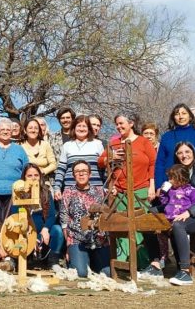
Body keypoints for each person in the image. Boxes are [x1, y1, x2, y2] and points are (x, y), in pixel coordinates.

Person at [142, 141, 195, 286]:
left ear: (193, 152)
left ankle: (185, 271)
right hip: (179, 210)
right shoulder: (176, 172)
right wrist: (163, 194)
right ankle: (155, 264)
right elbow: (170, 201)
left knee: (178, 225)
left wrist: (189, 212)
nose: (184, 155)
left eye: (187, 152)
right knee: (147, 219)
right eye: (180, 153)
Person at [98, 112, 155, 269]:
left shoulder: (143, 142)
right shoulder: (114, 142)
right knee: (121, 226)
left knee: (139, 227)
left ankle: (142, 264)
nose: (118, 126)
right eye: (116, 124)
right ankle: (122, 263)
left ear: (131, 123)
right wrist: (112, 156)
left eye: (121, 123)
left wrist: (152, 186)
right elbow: (101, 161)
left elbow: (153, 163)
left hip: (141, 190)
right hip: (120, 192)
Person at [60, 160, 109, 278]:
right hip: (77, 240)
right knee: (81, 273)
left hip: (99, 240)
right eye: (77, 172)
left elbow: (107, 215)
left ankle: (92, 260)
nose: (81, 174)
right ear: (73, 175)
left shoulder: (100, 191)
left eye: (84, 171)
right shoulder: (68, 192)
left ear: (90, 174)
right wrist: (68, 245)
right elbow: (64, 220)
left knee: (107, 273)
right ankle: (77, 260)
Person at [9, 164, 63, 270]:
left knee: (57, 230)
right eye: (29, 176)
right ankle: (19, 260)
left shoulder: (46, 192)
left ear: (40, 177)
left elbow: (51, 215)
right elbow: (16, 216)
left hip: (42, 232)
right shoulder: (18, 194)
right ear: (24, 178)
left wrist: (45, 229)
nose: (33, 178)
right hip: (26, 230)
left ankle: (53, 261)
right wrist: (32, 236)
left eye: (36, 175)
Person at [154, 103, 195, 188]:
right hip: (171, 184)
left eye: (184, 113)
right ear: (173, 117)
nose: (180, 116)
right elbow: (160, 163)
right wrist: (159, 186)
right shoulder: (167, 137)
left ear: (190, 116)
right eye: (177, 114)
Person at [54, 115, 105, 200]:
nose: (81, 129)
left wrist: (106, 186)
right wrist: (57, 188)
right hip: (71, 190)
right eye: (79, 126)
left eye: (84, 126)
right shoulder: (67, 145)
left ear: (89, 128)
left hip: (95, 190)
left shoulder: (98, 144)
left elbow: (104, 167)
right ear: (74, 128)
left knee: (96, 213)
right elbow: (61, 169)